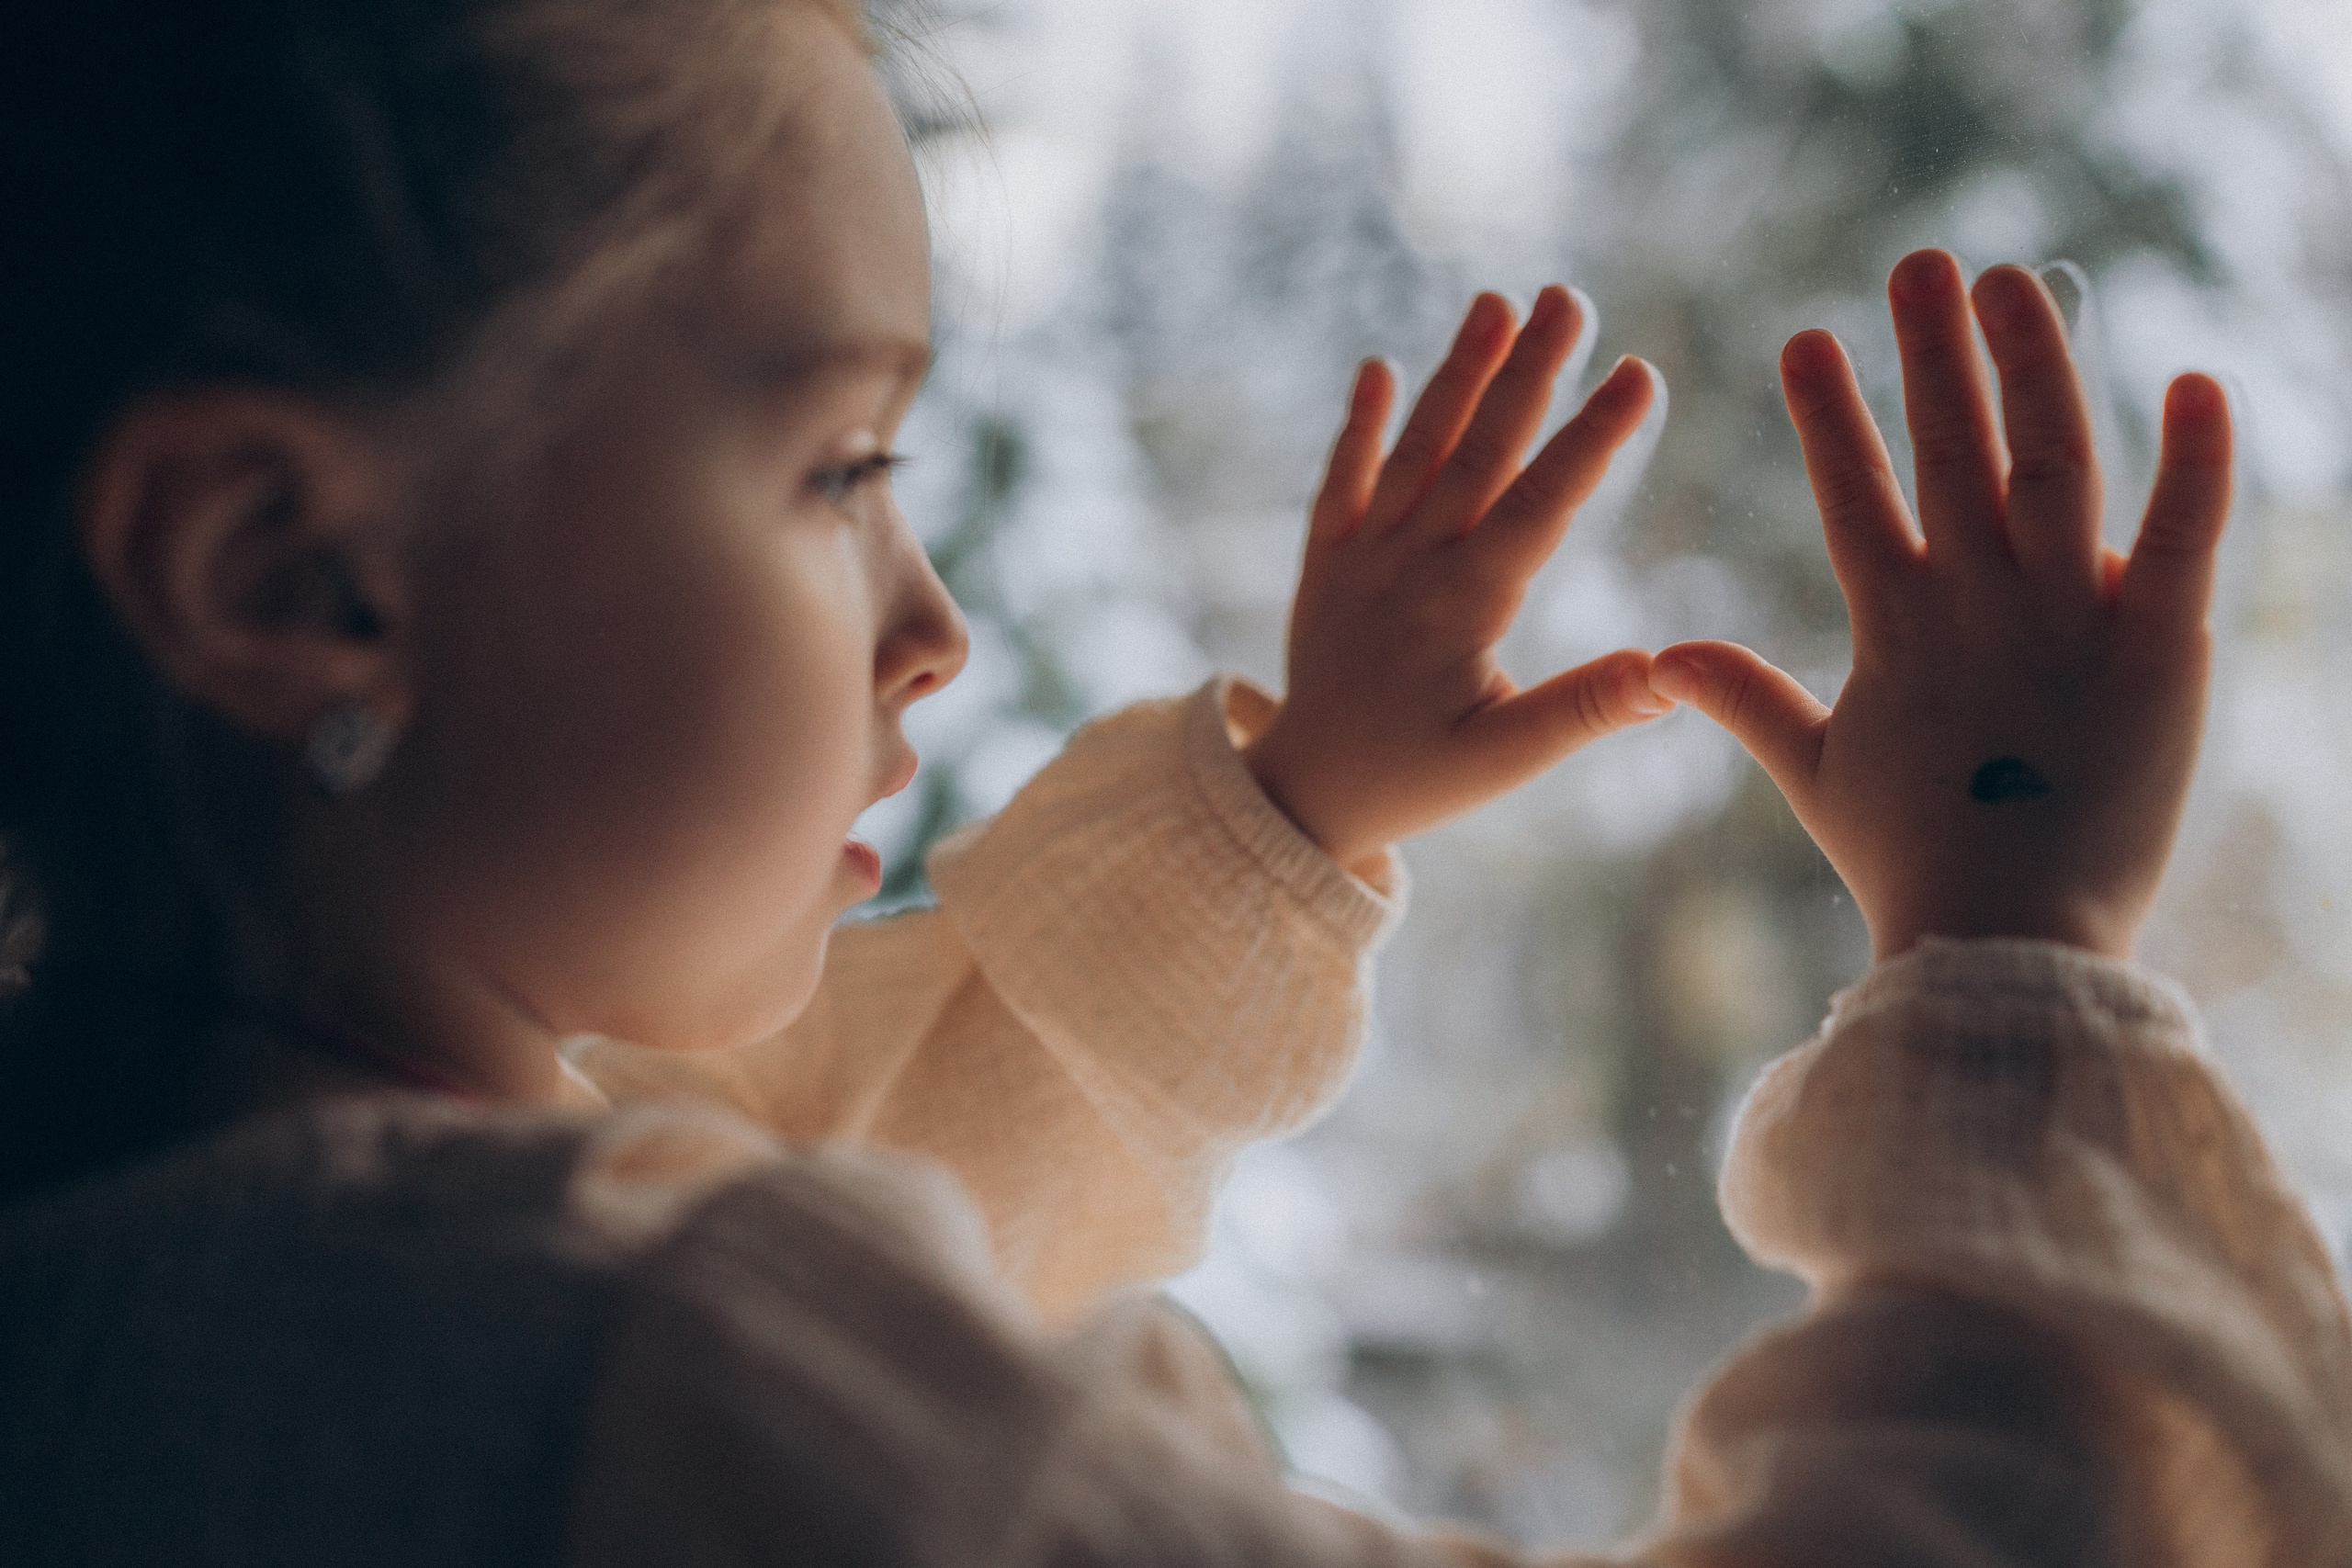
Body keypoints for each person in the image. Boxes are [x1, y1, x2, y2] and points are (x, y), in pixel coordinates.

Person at [0, 1, 2342, 1564]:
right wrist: (2012, 970)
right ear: (284, 568)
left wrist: (1288, 808)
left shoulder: (141, 1268)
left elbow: (814, 1134)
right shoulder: (673, 1371)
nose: (932, 624)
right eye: (838, 463)